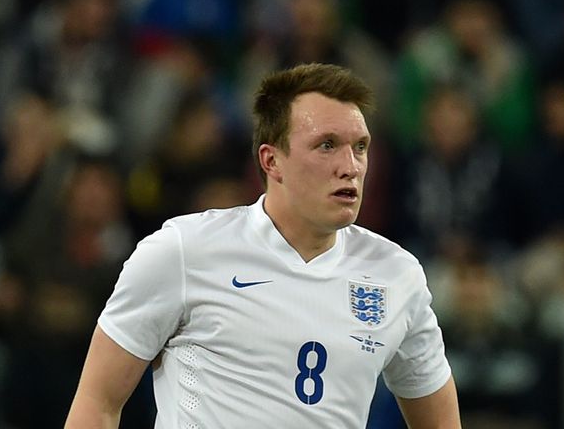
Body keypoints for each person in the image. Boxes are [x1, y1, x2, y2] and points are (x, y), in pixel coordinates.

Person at [65, 63, 461, 428]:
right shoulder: (183, 251)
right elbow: (97, 403)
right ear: (272, 162)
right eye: (327, 145)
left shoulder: (396, 274)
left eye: (360, 146)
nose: (351, 166)